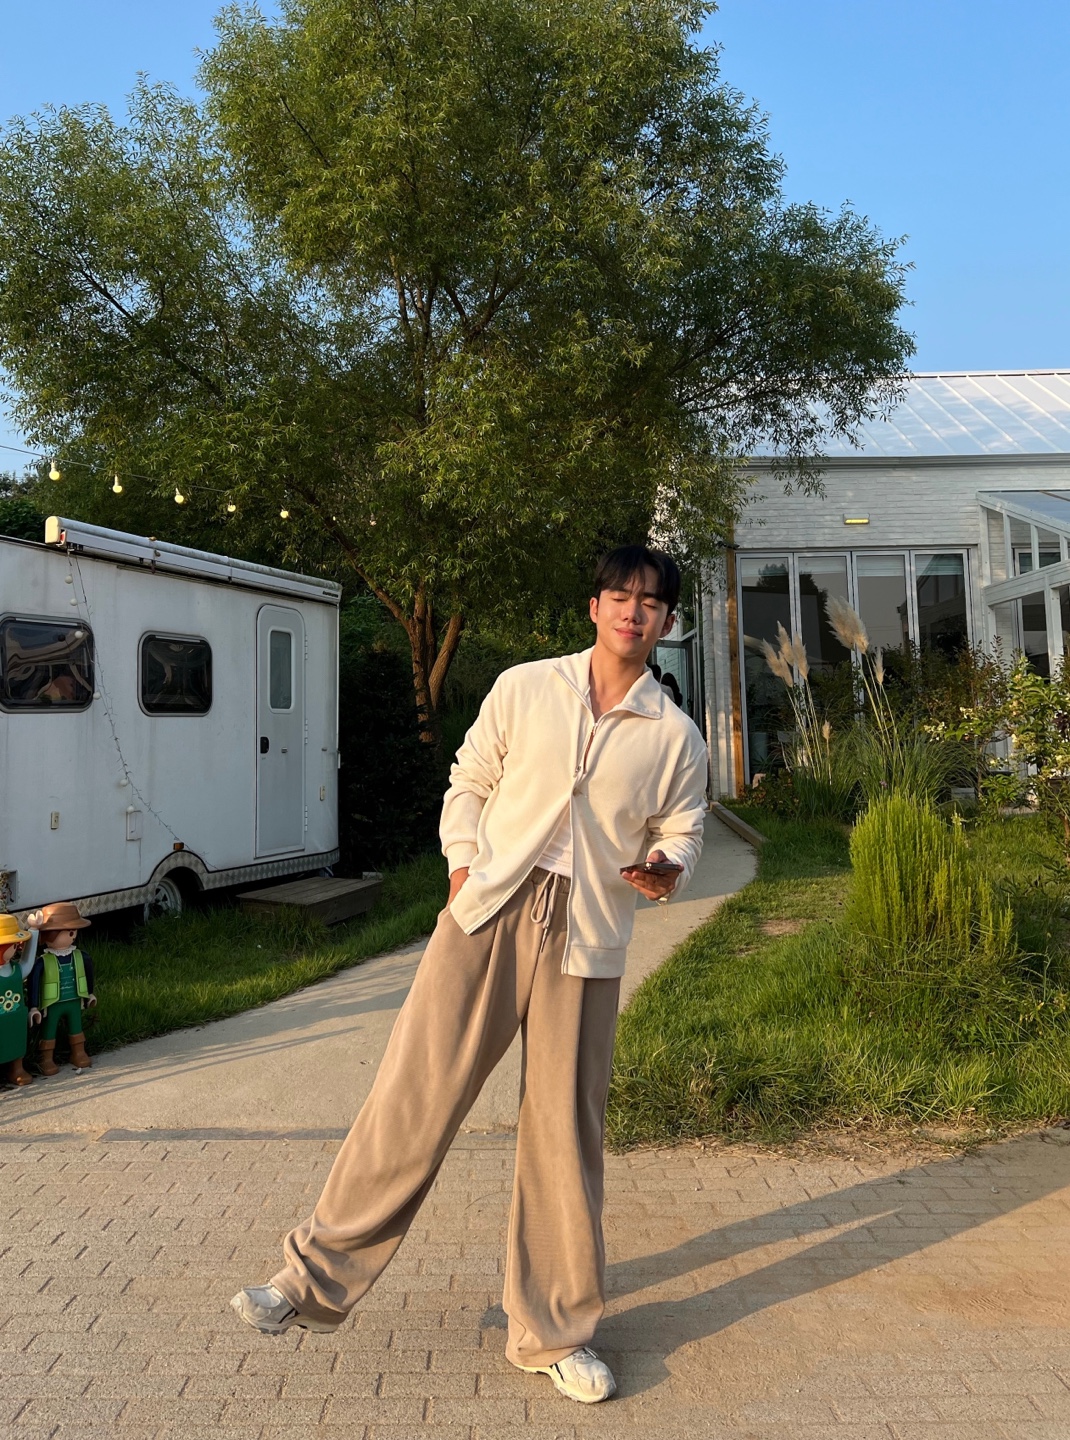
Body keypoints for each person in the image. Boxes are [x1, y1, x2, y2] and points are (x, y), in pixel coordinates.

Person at [231, 545, 709, 1405]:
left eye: (651, 603)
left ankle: (554, 1333)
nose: (633, 613)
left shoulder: (674, 734)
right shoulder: (527, 686)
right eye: (619, 596)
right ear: (594, 607)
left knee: (564, 1133)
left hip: (587, 935)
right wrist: (461, 868)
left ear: (668, 622)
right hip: (486, 912)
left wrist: (669, 865)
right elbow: (470, 781)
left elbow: (684, 827)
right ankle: (306, 1282)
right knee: (412, 1098)